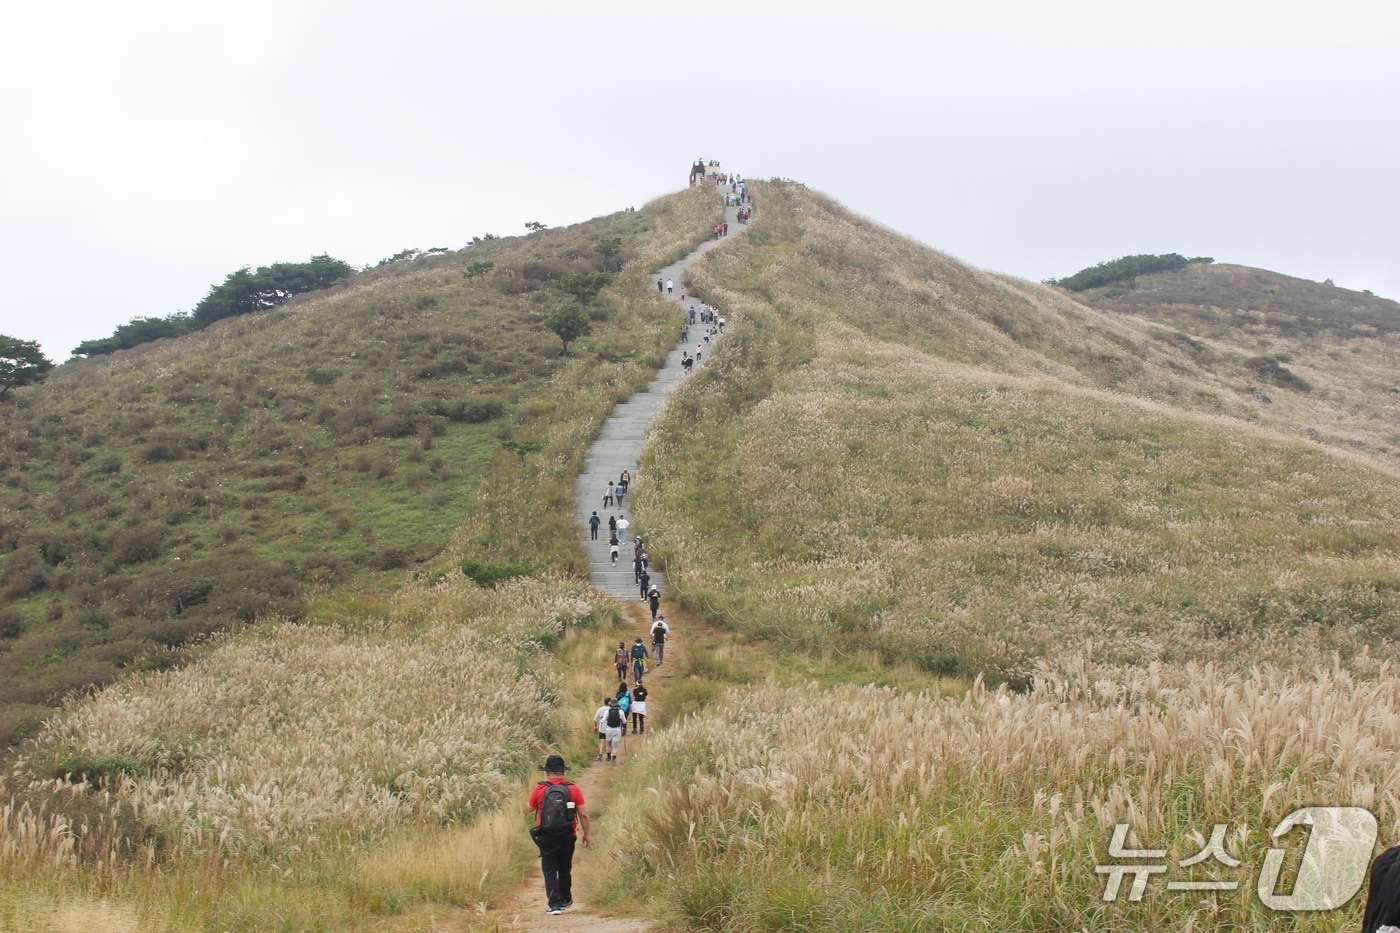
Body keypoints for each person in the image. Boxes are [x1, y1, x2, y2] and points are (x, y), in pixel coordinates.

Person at [529, 754, 590, 915]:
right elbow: (583, 814)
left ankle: (554, 905)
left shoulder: (540, 788)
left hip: (546, 834)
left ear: (547, 772)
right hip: (567, 834)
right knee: (564, 868)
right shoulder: (573, 788)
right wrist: (586, 834)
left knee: (549, 869)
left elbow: (529, 808)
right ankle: (565, 899)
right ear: (563, 771)